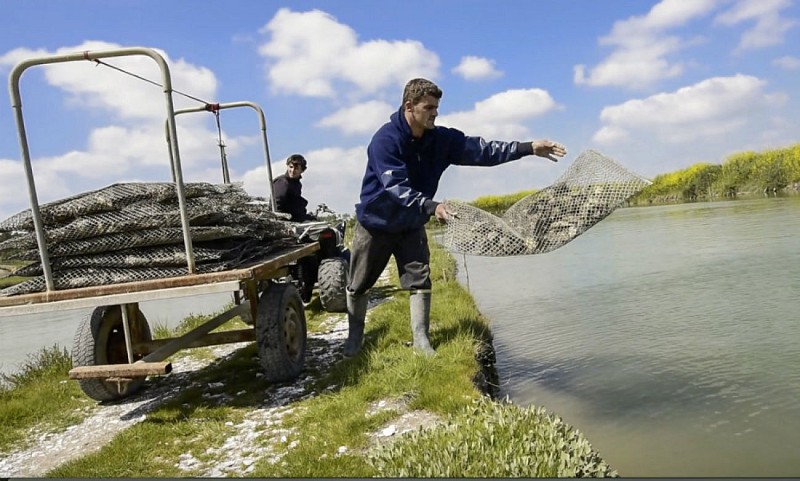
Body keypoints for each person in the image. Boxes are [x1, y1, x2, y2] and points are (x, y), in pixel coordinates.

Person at [343, 78, 567, 357]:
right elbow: (395, 187)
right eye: (429, 108)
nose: (435, 113)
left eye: (437, 107)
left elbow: (482, 150)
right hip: (376, 223)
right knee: (359, 283)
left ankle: (421, 341)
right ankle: (354, 339)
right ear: (409, 107)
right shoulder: (385, 140)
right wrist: (431, 206)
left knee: (419, 280)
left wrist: (528, 148)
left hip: (411, 224)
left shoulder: (441, 139)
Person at [272, 154, 316, 222]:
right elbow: (277, 205)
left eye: (296, 168)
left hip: (296, 216)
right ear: (287, 166)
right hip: (286, 219)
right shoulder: (282, 182)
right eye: (291, 167)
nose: (292, 170)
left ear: (302, 170)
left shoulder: (297, 184)